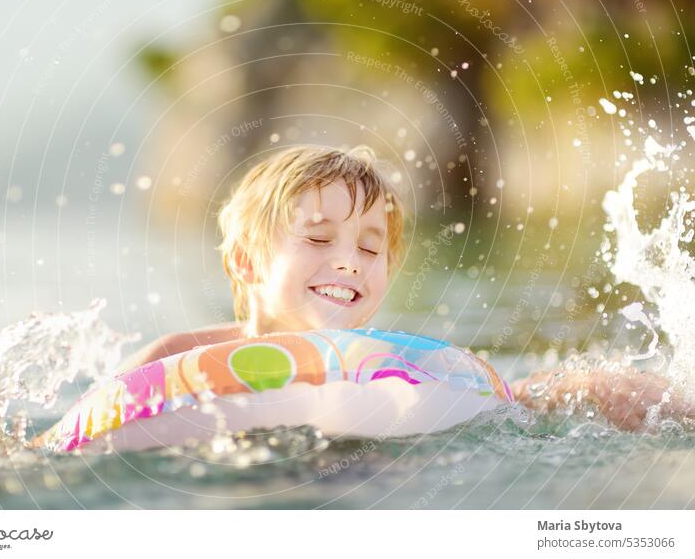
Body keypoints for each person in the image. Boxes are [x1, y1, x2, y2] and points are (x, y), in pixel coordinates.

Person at [122, 144, 692, 431]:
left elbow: (507, 399)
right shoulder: (176, 359)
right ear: (247, 262)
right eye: (319, 240)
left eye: (370, 249)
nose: (350, 263)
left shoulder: (396, 368)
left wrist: (589, 386)